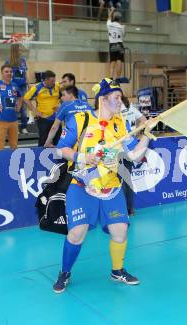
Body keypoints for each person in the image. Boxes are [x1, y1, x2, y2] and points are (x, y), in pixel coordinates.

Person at [52, 78, 155, 293]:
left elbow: (135, 156)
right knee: (76, 234)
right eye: (117, 97)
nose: (121, 101)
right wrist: (82, 157)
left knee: (121, 232)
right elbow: (59, 150)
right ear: (103, 99)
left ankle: (117, 271)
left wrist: (146, 135)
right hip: (82, 187)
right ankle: (65, 272)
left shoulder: (120, 124)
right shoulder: (81, 120)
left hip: (111, 188)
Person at [119, 95, 147, 216]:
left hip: (122, 150)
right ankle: (129, 209)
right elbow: (144, 120)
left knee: (122, 181)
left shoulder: (118, 119)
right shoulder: (129, 110)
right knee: (127, 180)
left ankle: (124, 210)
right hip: (130, 145)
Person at [23, 70, 61, 146]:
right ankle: (40, 157)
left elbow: (61, 97)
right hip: (43, 118)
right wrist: (35, 111)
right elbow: (26, 98)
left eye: (54, 80)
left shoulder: (57, 86)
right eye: (52, 81)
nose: (54, 82)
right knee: (43, 140)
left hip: (57, 117)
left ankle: (58, 157)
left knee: (58, 139)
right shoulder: (37, 88)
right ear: (45, 80)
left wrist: (60, 107)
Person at [5, 44, 30, 134]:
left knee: (23, 107)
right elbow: (6, 74)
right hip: (13, 86)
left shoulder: (23, 60)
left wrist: (28, 83)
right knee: (13, 107)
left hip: (22, 86)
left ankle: (23, 127)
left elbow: (25, 73)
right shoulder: (8, 61)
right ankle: (13, 127)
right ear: (14, 51)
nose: (20, 51)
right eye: (19, 50)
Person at [107, 7, 125, 81]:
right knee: (119, 60)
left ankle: (111, 77)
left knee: (112, 62)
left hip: (112, 45)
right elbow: (123, 35)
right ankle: (117, 78)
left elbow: (108, 18)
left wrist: (111, 11)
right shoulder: (122, 27)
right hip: (120, 44)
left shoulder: (109, 24)